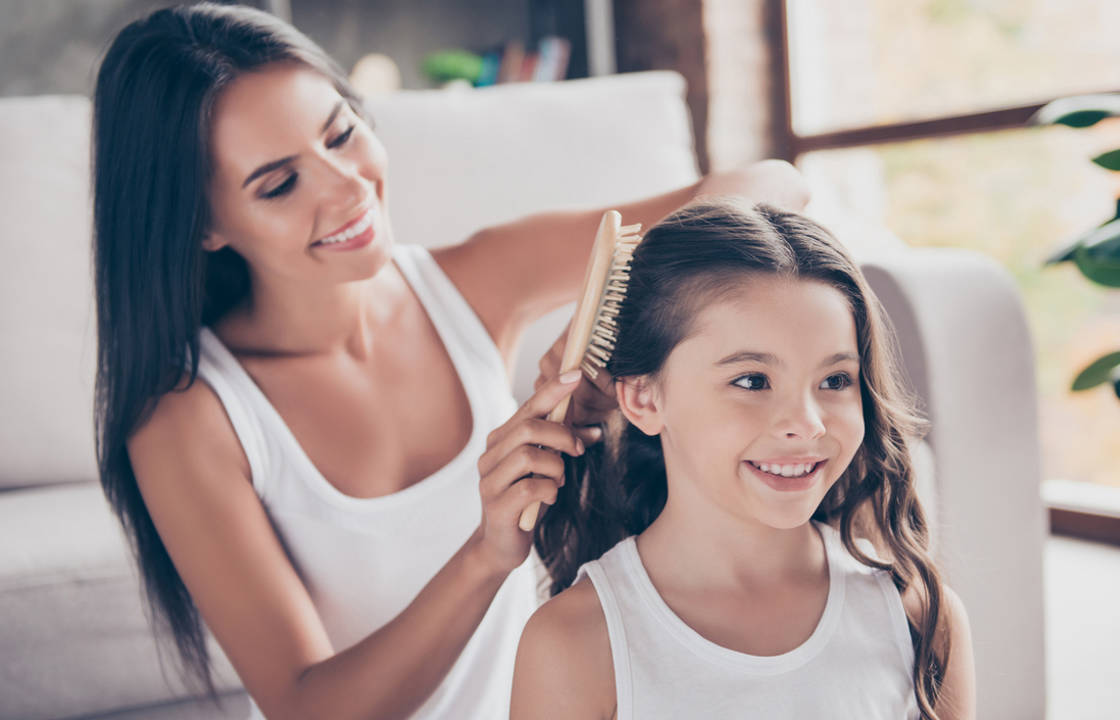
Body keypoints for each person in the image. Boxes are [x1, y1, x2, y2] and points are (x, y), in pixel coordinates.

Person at [91, 4, 807, 719]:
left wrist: (610, 332)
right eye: (279, 184)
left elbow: (769, 187)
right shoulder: (189, 417)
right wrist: (487, 554)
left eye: (341, 133)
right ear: (203, 223)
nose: (346, 188)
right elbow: (307, 708)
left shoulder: (473, 281)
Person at [511, 200, 977, 720]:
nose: (808, 423)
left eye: (835, 381)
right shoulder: (575, 644)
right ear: (644, 398)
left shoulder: (917, 615)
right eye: (752, 381)